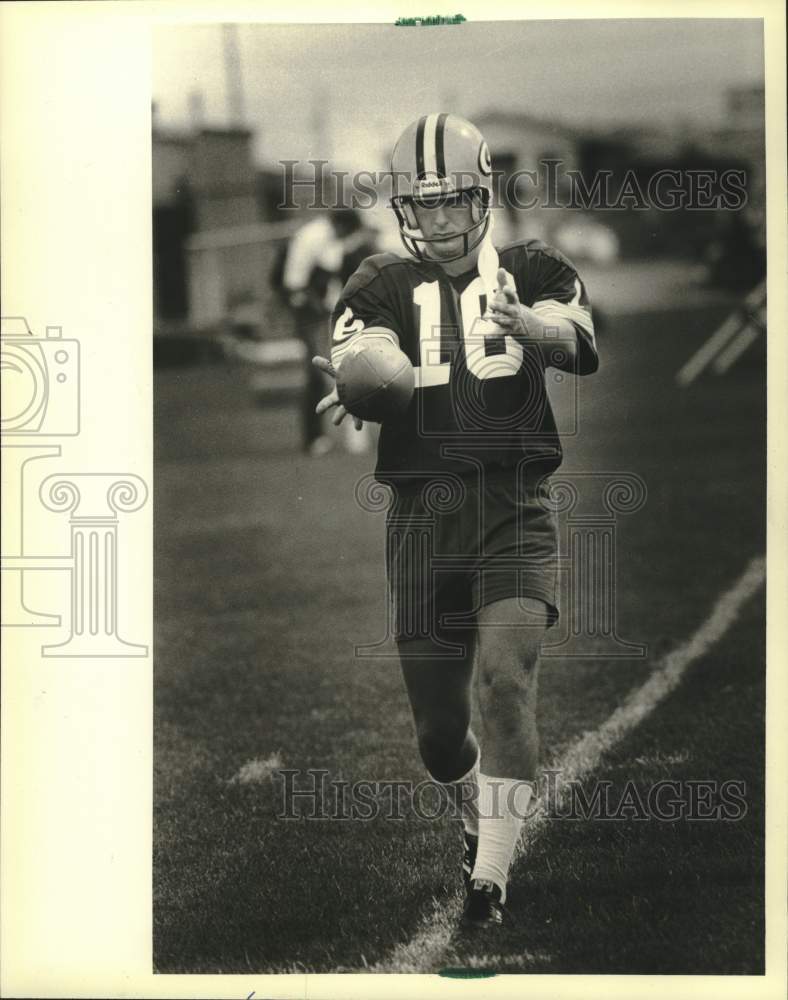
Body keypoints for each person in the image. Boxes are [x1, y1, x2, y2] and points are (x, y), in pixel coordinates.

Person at [313, 114, 598, 929]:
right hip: (420, 517)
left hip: (512, 505)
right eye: (424, 202)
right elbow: (365, 351)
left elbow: (578, 343)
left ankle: (493, 879)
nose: (440, 220)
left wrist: (528, 325)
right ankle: (473, 816)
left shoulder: (534, 268)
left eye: (456, 201)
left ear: (484, 199)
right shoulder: (377, 282)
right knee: (440, 735)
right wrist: (362, 379)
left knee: (507, 678)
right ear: (403, 206)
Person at [281, 208, 375, 454]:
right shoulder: (311, 237)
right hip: (309, 314)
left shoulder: (329, 239)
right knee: (318, 373)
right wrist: (321, 311)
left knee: (334, 372)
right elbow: (295, 286)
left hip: (324, 312)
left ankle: (332, 436)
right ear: (342, 226)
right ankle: (313, 438)